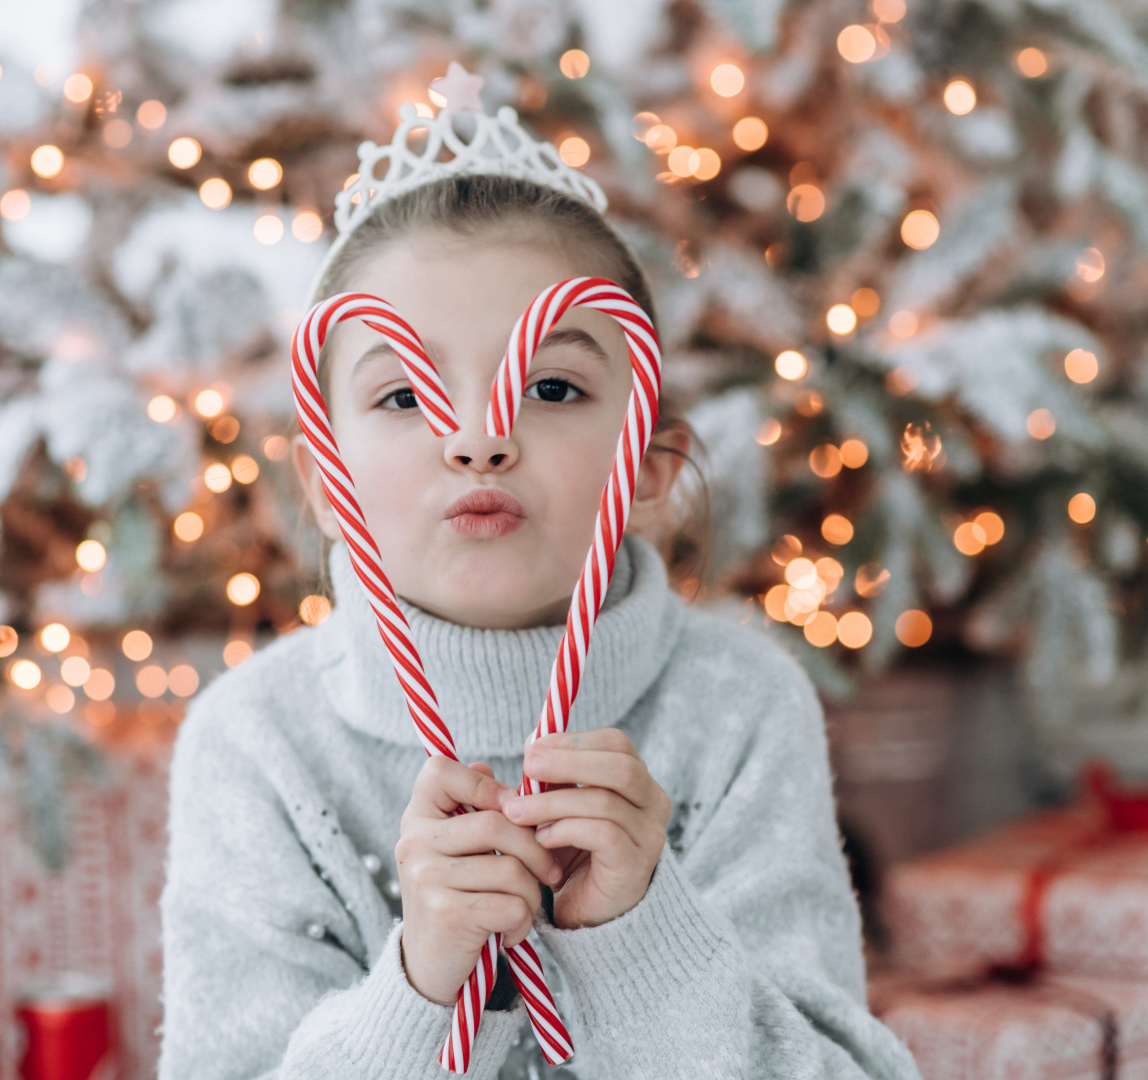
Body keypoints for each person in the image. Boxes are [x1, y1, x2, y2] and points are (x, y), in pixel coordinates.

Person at [158, 74, 920, 1080]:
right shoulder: (257, 744)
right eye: (403, 395)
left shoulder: (738, 709)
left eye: (552, 386)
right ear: (324, 473)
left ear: (646, 464)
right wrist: (420, 989)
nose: (479, 440)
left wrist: (643, 939)